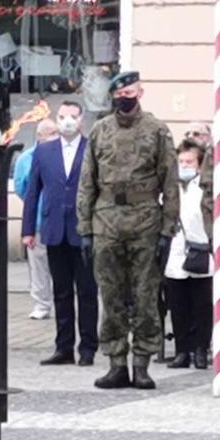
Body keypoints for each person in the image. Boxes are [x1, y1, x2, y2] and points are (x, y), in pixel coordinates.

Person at [78, 71, 176, 390]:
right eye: (120, 93)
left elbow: (170, 183)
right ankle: (116, 362)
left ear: (140, 92)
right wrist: (85, 228)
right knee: (111, 296)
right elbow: (87, 181)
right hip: (106, 220)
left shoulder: (157, 131)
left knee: (146, 296)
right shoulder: (100, 131)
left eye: (130, 91)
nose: (125, 97)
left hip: (145, 219)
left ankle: (142, 363)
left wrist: (167, 230)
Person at [23, 102, 98, 366]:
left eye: (73, 117)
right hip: (54, 229)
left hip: (84, 231)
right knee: (61, 292)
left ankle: (88, 347)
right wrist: (28, 229)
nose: (67, 121)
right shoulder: (44, 151)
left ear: (81, 120)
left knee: (87, 291)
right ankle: (63, 347)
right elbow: (33, 191)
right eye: (63, 116)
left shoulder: (92, 148)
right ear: (56, 119)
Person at [163, 140, 214, 369]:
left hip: (200, 250)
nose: (184, 165)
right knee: (178, 304)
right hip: (175, 252)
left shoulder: (205, 188)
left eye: (189, 161)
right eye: (181, 161)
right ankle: (182, 350)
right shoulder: (169, 188)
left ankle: (201, 348)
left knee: (201, 305)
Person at [14, 120, 59, 320]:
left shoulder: (63, 154)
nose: (53, 136)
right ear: (40, 136)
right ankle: (42, 304)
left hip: (62, 221)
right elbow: (21, 188)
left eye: (55, 132)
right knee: (39, 265)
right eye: (49, 133)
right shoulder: (26, 158)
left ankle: (62, 302)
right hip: (40, 220)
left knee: (61, 265)